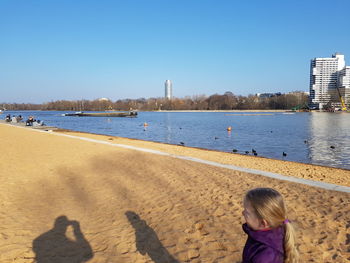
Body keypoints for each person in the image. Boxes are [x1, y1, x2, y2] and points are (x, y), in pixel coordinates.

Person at [242, 188, 299, 263]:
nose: (243, 213)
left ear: (263, 223)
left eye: (247, 212)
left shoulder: (265, 257)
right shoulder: (259, 233)